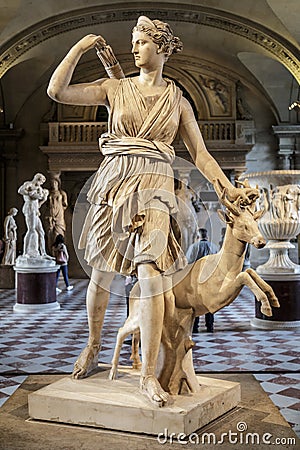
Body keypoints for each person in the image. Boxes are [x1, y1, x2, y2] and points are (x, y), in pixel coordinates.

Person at [47, 15, 258, 407]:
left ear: (161, 49)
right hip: (115, 182)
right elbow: (57, 90)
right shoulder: (115, 88)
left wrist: (225, 187)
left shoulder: (177, 100)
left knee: (150, 276)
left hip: (157, 187)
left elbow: (200, 155)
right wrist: (78, 48)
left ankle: (147, 373)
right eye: (133, 41)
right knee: (102, 271)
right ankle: (93, 345)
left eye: (141, 41)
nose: (133, 47)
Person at [186, 228, 218, 333]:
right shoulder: (214, 247)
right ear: (207, 236)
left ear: (198, 237)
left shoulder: (193, 247)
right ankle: (210, 326)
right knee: (209, 303)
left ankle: (195, 327)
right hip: (210, 278)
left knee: (196, 303)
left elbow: (188, 263)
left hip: (197, 279)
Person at [18, 173, 49, 257]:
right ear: (38, 179)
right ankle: (25, 252)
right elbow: (20, 190)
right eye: (41, 182)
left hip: (35, 210)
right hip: (29, 208)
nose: (41, 184)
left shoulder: (39, 188)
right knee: (31, 230)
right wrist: (30, 193)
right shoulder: (28, 184)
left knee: (41, 232)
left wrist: (44, 198)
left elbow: (39, 201)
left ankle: (43, 253)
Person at [47, 176, 68, 252]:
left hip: (59, 215)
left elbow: (65, 205)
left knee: (59, 234)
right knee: (50, 235)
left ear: (58, 183)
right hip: (50, 214)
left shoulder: (62, 193)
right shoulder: (48, 193)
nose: (54, 184)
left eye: (55, 182)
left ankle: (59, 253)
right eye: (52, 183)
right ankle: (52, 253)